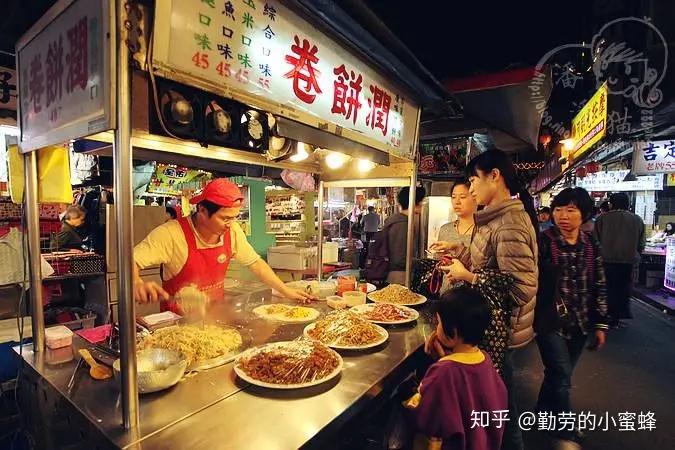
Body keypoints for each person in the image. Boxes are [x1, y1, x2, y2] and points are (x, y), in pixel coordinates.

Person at [430, 149, 538, 450]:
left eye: (474, 180)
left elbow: (520, 289)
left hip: (500, 332)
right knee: (494, 407)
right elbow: (487, 263)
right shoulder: (493, 219)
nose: (471, 188)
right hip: (487, 326)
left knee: (502, 411)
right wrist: (459, 250)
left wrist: (469, 277)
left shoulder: (510, 224)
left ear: (495, 176)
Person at [133, 178, 313, 310]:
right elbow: (131, 260)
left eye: (234, 218)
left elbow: (256, 264)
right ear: (202, 211)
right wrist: (136, 282)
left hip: (215, 316)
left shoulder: (232, 231)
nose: (231, 223)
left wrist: (284, 290)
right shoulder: (171, 234)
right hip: (178, 323)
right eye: (225, 218)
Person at [536, 187, 609, 443]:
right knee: (562, 374)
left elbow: (599, 284)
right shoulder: (544, 243)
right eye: (558, 209)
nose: (563, 216)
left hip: (580, 322)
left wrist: (600, 324)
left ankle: (541, 415)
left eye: (570, 210)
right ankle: (565, 429)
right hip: (549, 321)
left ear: (584, 213)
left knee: (556, 374)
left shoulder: (591, 245)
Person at [406, 286, 507, 450]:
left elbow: (425, 418)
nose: (436, 328)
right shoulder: (485, 360)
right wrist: (445, 359)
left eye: (438, 323)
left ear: (452, 332)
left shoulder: (444, 371)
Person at [593, 192, 645, 328]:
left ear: (611, 204)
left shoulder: (601, 219)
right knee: (622, 290)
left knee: (606, 289)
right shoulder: (637, 220)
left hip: (605, 261)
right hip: (627, 261)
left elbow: (595, 241)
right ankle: (616, 318)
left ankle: (605, 317)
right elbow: (641, 243)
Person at [437, 179, 477, 294]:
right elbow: (439, 262)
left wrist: (462, 274)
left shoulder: (483, 231)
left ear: (475, 198)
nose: (457, 202)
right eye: (453, 197)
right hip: (446, 293)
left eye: (463, 197)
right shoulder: (445, 229)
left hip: (472, 296)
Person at [383, 186, 427, 285]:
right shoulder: (403, 224)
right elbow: (400, 259)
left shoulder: (397, 220)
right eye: (422, 202)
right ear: (417, 203)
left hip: (395, 274)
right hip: (400, 276)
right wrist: (422, 262)